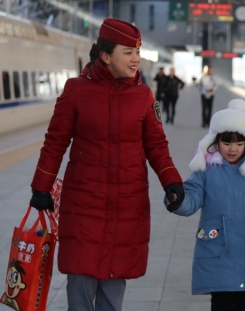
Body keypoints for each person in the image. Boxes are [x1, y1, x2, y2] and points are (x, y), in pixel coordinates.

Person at [29, 18, 185, 311]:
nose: (135, 59)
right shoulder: (75, 90)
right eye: (127, 52)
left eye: (137, 52)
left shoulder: (143, 96)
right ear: (105, 55)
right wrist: (41, 188)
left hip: (127, 204)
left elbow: (156, 145)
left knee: (114, 286)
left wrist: (171, 181)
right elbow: (55, 141)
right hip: (84, 202)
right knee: (80, 282)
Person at [166, 99, 245, 311]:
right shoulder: (206, 170)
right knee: (221, 302)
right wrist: (178, 201)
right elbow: (193, 197)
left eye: (239, 144)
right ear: (216, 142)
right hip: (218, 253)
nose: (233, 149)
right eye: (227, 143)